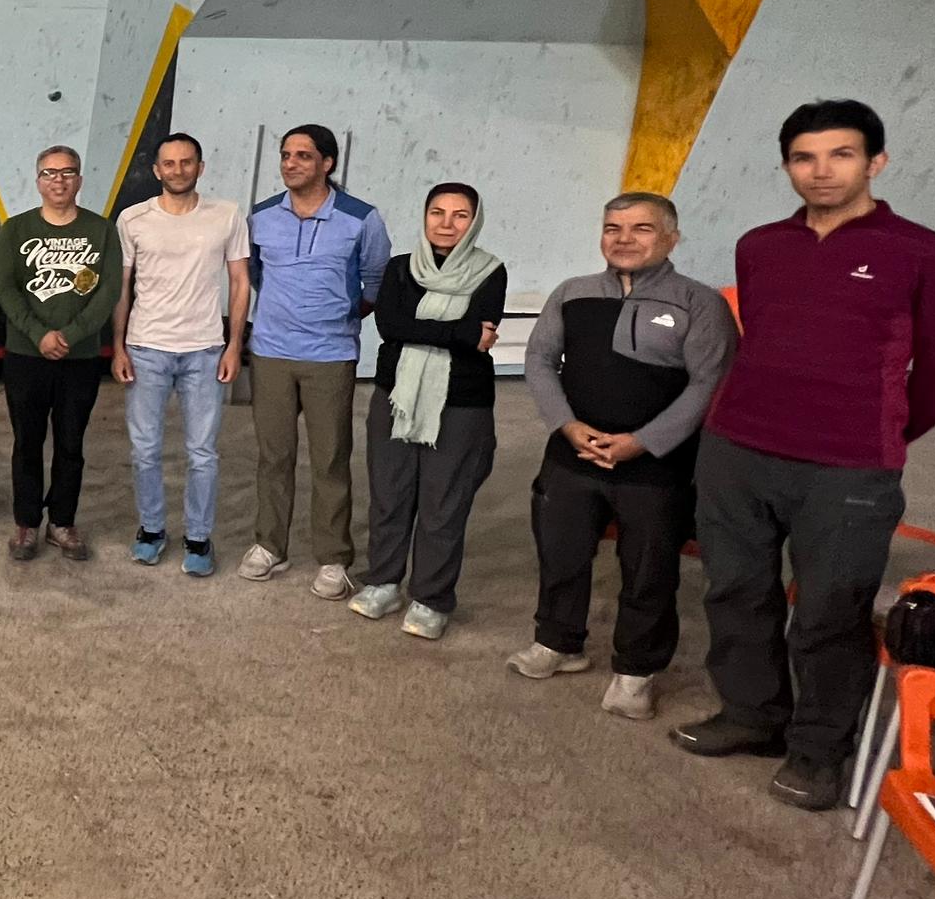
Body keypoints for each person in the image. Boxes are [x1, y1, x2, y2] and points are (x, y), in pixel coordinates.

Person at [675, 100, 935, 810]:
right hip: (737, 450)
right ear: (786, 166)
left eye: (841, 154)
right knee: (734, 591)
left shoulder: (928, 253)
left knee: (830, 611)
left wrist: (880, 431)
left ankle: (818, 751)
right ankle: (751, 714)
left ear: (876, 162)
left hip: (847, 468)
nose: (821, 171)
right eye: (804, 157)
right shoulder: (760, 246)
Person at [511, 192, 738, 720]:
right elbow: (540, 359)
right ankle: (557, 642)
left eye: (641, 228)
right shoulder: (573, 293)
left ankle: (636, 671)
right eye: (613, 228)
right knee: (561, 554)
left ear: (671, 239)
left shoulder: (700, 303)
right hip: (571, 456)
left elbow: (711, 383)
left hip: (656, 466)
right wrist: (566, 425)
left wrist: (646, 441)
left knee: (648, 570)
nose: (624, 239)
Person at [347, 184, 507, 640]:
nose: (446, 223)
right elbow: (390, 325)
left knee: (443, 502)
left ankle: (431, 598)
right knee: (390, 493)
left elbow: (472, 331)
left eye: (460, 215)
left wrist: (424, 329)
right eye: (437, 212)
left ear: (474, 222)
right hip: (396, 395)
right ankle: (383, 582)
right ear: (425, 216)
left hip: (461, 402)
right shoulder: (400, 268)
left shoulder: (490, 271)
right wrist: (460, 332)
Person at [239, 123, 392, 599]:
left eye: (303, 156)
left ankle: (333, 558)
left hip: (331, 356)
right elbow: (256, 273)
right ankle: (270, 545)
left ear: (328, 163)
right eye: (286, 155)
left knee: (330, 458)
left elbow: (375, 282)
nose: (290, 163)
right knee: (274, 456)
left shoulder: (361, 218)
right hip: (271, 354)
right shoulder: (262, 215)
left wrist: (338, 314)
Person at [111, 132, 249, 579]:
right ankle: (152, 529)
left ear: (200, 167)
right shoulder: (133, 219)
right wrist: (118, 347)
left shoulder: (226, 215)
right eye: (169, 163)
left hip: (204, 351)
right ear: (157, 170)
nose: (178, 170)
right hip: (146, 348)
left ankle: (198, 537)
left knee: (202, 453)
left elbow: (241, 282)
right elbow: (122, 288)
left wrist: (234, 345)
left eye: (186, 162)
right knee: (145, 450)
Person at [0, 146, 120, 562]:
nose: (58, 180)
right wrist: (38, 335)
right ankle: (27, 522)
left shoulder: (101, 230)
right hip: (25, 356)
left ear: (79, 180)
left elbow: (108, 291)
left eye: (67, 172)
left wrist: (71, 334)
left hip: (80, 358)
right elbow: (5, 289)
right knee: (27, 442)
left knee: (70, 443)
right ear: (38, 181)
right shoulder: (15, 229)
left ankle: (62, 522)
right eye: (49, 173)